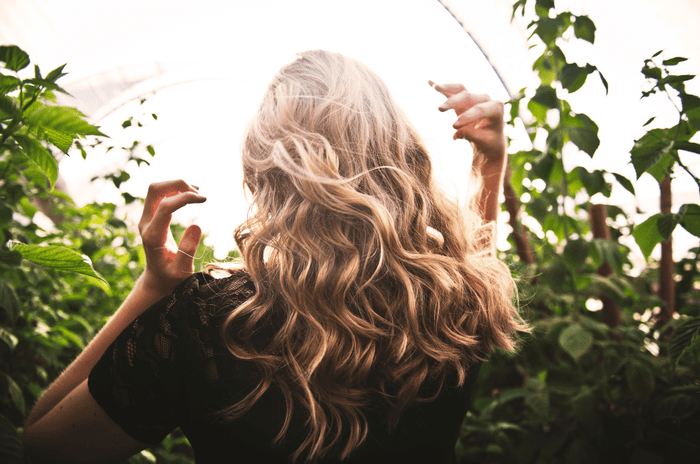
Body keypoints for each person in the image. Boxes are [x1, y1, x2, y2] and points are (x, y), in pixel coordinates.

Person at [22, 50, 526, 463]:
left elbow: (44, 446)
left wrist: (153, 290)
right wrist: (489, 162)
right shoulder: (459, 301)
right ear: (399, 154)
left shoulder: (211, 320)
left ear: (267, 172)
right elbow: (475, 262)